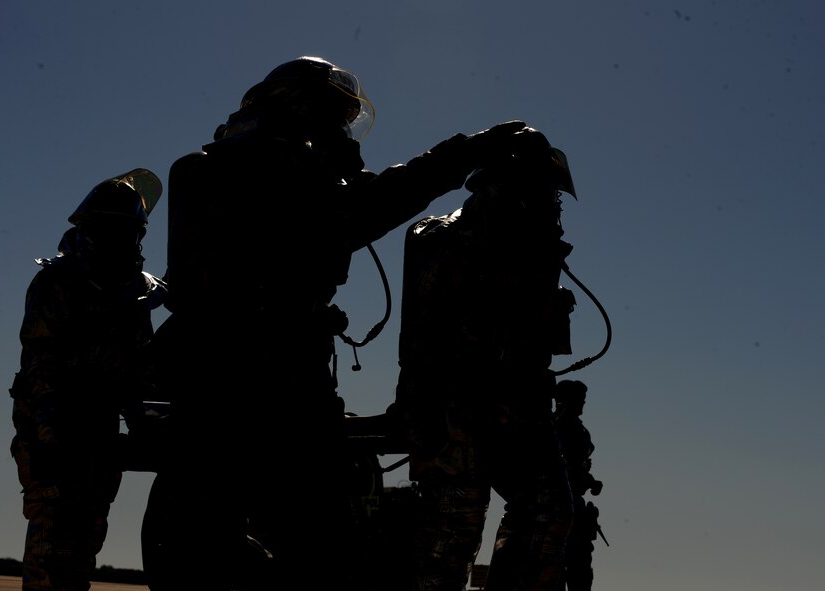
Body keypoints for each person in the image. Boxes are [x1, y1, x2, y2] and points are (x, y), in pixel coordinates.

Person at [151, 55, 537, 590]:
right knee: (266, 539)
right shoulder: (233, 174)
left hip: (272, 373)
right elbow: (357, 208)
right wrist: (464, 153)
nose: (339, 134)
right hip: (242, 380)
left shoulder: (239, 172)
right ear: (297, 111)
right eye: (331, 118)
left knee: (300, 538)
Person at [393, 131, 579, 591]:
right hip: (454, 402)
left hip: (515, 401)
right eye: (538, 190)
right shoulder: (445, 239)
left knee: (547, 509)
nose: (549, 204)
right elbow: (440, 333)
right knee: (454, 521)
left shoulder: (528, 246)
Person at [8, 169, 167, 591]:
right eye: (110, 227)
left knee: (84, 543)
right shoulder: (57, 283)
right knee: (51, 550)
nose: (119, 239)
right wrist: (50, 435)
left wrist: (144, 419)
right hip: (55, 429)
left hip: (98, 432)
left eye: (127, 230)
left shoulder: (135, 293)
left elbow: (141, 368)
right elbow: (42, 366)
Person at [553, 379, 606, 591]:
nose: (583, 404)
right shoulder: (567, 426)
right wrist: (589, 481)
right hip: (565, 502)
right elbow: (570, 464)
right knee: (576, 566)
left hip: (564, 500)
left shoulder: (559, 423)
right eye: (580, 400)